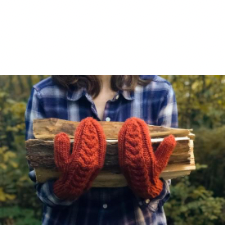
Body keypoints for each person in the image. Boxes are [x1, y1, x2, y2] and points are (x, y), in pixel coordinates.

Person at [25, 75, 178, 225]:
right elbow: (40, 186)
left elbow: (166, 184)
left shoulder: (159, 91)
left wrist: (149, 187)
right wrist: (66, 188)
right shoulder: (44, 94)